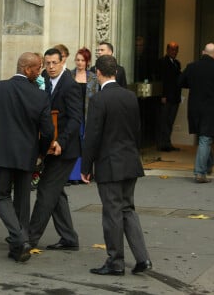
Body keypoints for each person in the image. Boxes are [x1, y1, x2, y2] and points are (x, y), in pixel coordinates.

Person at [0, 52, 54, 262]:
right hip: (26, 152)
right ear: (27, 69)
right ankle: (21, 240)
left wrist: (0, 132)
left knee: (1, 196)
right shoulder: (39, 96)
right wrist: (40, 151)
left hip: (1, 151)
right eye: (38, 68)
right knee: (21, 198)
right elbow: (48, 131)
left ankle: (19, 241)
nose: (40, 72)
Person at [80, 54, 152, 276]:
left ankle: (115, 261)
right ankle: (142, 258)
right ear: (116, 72)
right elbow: (137, 130)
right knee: (128, 209)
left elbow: (92, 136)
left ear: (98, 73)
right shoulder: (130, 97)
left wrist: (85, 167)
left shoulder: (99, 100)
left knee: (112, 213)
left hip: (109, 164)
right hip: (130, 161)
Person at [29, 48, 83, 251]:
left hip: (65, 149)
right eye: (48, 63)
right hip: (50, 147)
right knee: (56, 193)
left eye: (54, 63)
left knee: (45, 190)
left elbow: (75, 119)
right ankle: (69, 238)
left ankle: (29, 238)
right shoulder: (43, 79)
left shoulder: (70, 85)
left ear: (63, 62)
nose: (50, 67)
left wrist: (61, 141)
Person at [178, 43, 214, 183]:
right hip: (211, 109)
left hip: (194, 108)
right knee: (205, 139)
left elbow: (180, 82)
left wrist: (194, 85)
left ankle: (208, 164)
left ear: (202, 52)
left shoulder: (192, 67)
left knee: (204, 138)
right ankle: (200, 173)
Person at [69, 47, 99, 183]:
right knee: (73, 144)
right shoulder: (69, 75)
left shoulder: (93, 77)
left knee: (85, 144)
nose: (80, 63)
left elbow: (96, 98)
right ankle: (72, 176)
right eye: (77, 60)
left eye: (83, 60)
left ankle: (84, 173)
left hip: (87, 115)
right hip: (73, 115)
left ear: (88, 62)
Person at [156, 42, 182, 152]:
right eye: (172, 49)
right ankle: (161, 144)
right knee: (164, 121)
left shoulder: (177, 63)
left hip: (175, 97)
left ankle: (167, 142)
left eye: (176, 49)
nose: (174, 52)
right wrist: (163, 95)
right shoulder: (162, 62)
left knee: (170, 121)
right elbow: (161, 80)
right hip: (166, 97)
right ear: (167, 50)